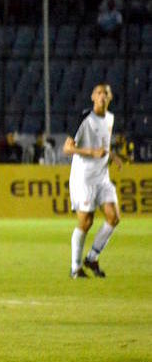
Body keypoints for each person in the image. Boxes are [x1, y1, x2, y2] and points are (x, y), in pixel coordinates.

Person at [63, 83, 128, 279]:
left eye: (105, 93)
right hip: (84, 178)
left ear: (110, 98)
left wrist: (112, 156)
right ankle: (75, 268)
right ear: (92, 96)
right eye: (99, 93)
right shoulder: (84, 118)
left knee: (113, 217)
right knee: (86, 222)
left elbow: (102, 145)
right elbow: (67, 148)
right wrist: (91, 152)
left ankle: (91, 257)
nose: (102, 96)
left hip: (102, 176)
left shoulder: (110, 118)